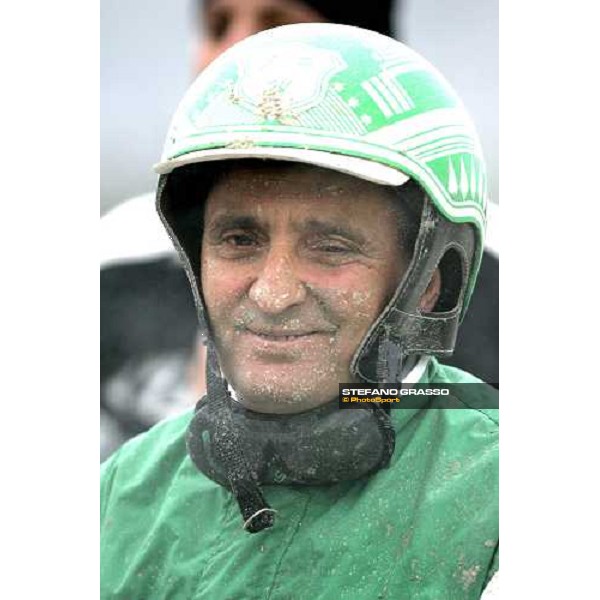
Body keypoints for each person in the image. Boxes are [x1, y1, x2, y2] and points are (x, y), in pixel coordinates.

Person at [100, 24, 498, 598]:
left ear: (429, 283)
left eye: (331, 247)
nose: (272, 294)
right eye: (239, 240)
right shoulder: (122, 495)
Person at [100, 0, 401, 461]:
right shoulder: (115, 256)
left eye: (276, 25)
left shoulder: (491, 271)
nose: (234, 52)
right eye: (217, 25)